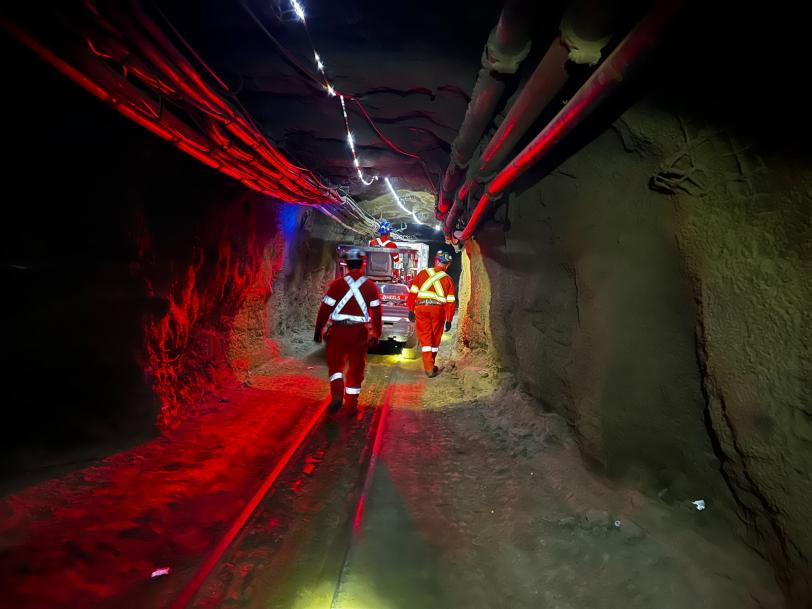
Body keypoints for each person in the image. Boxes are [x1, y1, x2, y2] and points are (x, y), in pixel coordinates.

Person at [314, 248, 383, 414]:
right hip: (359, 333)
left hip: (338, 331)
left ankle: (337, 395)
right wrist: (376, 334)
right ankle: (351, 405)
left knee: (335, 366)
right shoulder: (370, 287)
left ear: (346, 263)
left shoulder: (336, 285)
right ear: (363, 264)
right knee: (356, 369)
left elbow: (324, 309)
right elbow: (376, 313)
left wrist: (318, 330)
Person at [407, 250, 456, 377]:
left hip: (421, 308)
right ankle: (430, 366)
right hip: (438, 310)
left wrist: (410, 309)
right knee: (435, 338)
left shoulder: (423, 273)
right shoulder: (448, 279)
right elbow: (451, 302)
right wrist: (449, 319)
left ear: (436, 261)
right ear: (447, 265)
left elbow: (413, 293)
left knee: (425, 337)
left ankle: (429, 366)